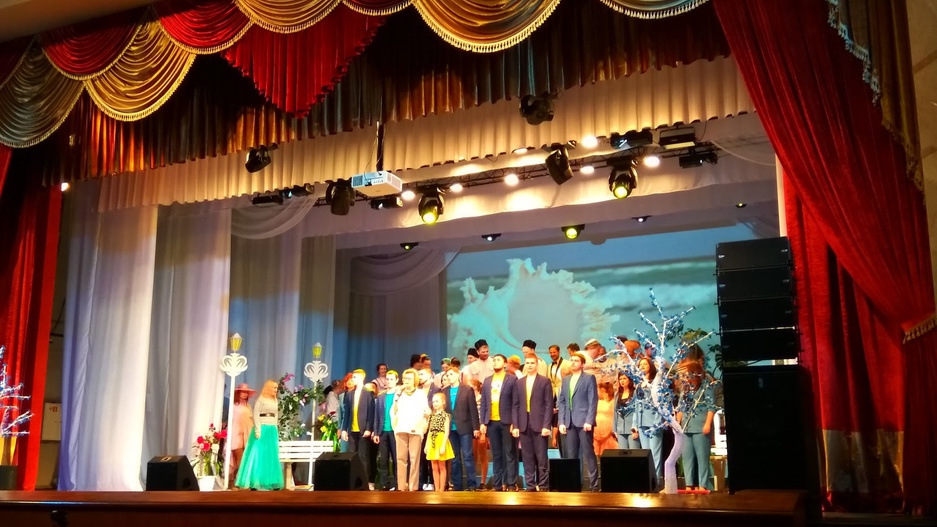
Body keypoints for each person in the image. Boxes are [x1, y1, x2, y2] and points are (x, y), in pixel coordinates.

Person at [432, 368, 480, 491]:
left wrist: (476, 427)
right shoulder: (444, 391)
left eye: (451, 374)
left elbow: (473, 409)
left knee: (467, 456)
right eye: (447, 375)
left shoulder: (467, 389)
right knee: (454, 458)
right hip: (450, 429)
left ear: (458, 375)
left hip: (465, 427)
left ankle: (472, 484)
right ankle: (457, 485)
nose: (449, 377)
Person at [558, 352, 599, 491]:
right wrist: (561, 422)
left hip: (584, 421)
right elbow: (562, 402)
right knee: (572, 455)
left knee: (588, 452)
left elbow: (593, 400)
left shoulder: (589, 378)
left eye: (576, 360)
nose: (573, 362)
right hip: (569, 421)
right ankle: (575, 483)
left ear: (582, 364)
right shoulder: (566, 380)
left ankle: (594, 485)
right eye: (572, 360)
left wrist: (589, 420)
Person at [479, 354, 520, 491]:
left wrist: (515, 422)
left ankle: (511, 483)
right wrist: (483, 422)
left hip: (507, 421)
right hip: (491, 421)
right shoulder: (487, 381)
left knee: (509, 452)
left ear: (505, 364)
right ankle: (497, 484)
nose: (495, 362)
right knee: (496, 454)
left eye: (498, 360)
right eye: (494, 360)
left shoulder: (511, 379)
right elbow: (484, 403)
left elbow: (515, 403)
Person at [513, 355, 553, 492]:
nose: (529, 365)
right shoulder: (519, 382)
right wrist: (516, 425)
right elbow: (515, 405)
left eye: (532, 363)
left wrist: (547, 425)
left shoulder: (544, 381)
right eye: (527, 363)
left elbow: (549, 404)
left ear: (537, 364)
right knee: (527, 456)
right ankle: (530, 484)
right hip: (524, 423)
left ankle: (543, 485)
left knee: (541, 457)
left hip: (540, 424)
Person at [235, 379, 283, 490]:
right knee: (259, 454)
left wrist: (275, 428)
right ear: (269, 388)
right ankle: (255, 481)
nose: (276, 390)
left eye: (276, 388)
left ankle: (271, 481)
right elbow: (256, 414)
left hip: (271, 429)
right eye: (274, 387)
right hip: (262, 428)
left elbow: (276, 415)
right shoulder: (261, 399)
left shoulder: (275, 400)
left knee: (270, 455)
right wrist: (258, 429)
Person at [677, 359, 716, 491]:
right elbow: (681, 408)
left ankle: (702, 485)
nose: (685, 376)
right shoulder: (685, 389)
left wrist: (707, 424)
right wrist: (677, 424)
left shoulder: (706, 387)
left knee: (702, 458)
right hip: (686, 427)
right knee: (687, 457)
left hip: (701, 427)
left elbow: (711, 407)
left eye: (687, 373)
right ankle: (689, 485)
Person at [391, 369, 430, 491]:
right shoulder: (399, 393)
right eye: (405, 378)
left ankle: (413, 486)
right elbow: (393, 410)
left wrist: (423, 421)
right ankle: (401, 486)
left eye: (409, 378)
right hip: (401, 428)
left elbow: (426, 410)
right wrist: (397, 397)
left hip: (415, 429)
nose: (406, 380)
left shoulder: (420, 394)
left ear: (415, 380)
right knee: (401, 458)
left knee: (414, 458)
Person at [632, 356, 665, 488]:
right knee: (645, 453)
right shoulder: (639, 384)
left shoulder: (656, 383)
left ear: (650, 366)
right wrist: (635, 424)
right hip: (642, 422)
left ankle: (656, 482)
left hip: (654, 423)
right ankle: (648, 482)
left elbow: (660, 403)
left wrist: (658, 422)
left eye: (644, 364)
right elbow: (636, 405)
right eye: (640, 365)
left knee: (655, 453)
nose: (642, 367)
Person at [341, 369, 374, 487]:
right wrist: (344, 429)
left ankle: (365, 482)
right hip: (352, 430)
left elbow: (371, 412)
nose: (352, 379)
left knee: (363, 456)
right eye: (352, 377)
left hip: (363, 429)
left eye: (355, 377)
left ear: (361, 378)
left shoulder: (368, 393)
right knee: (352, 456)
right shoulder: (350, 394)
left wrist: (369, 428)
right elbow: (347, 413)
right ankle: (353, 482)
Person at [372, 370, 399, 490]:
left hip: (395, 430)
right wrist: (376, 432)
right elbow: (377, 416)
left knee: (396, 458)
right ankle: (384, 483)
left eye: (392, 379)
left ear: (397, 380)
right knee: (383, 459)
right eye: (387, 379)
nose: (389, 381)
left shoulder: (399, 395)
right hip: (382, 431)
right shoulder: (381, 396)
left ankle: (397, 483)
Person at [425, 392, 456, 491]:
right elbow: (430, 431)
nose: (434, 403)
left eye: (437, 401)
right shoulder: (431, 416)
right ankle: (436, 489)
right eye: (433, 401)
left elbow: (446, 431)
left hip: (441, 440)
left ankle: (441, 489)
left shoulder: (445, 416)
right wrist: (426, 445)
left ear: (443, 402)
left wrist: (443, 445)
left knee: (442, 466)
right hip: (432, 441)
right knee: (434, 466)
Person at [229, 383, 255, 488]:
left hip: (247, 433)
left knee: (246, 458)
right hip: (236, 433)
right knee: (238, 458)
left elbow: (250, 420)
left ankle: (242, 481)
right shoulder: (233, 406)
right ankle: (237, 482)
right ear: (238, 393)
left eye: (246, 392)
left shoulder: (248, 406)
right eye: (243, 392)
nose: (245, 394)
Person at [468, 378, 489, 489]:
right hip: (471, 429)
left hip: (481, 429)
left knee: (483, 455)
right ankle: (473, 480)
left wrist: (483, 431)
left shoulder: (481, 399)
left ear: (475, 387)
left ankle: (483, 482)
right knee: (473, 455)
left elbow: (483, 415)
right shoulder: (468, 398)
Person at [614, 372, 640, 449]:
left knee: (634, 453)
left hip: (632, 428)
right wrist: (615, 429)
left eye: (624, 378)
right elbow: (615, 412)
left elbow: (637, 411)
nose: (622, 381)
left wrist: (636, 428)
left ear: (629, 379)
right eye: (620, 379)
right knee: (622, 453)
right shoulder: (617, 394)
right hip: (620, 428)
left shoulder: (635, 393)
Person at [593, 382, 618, 456]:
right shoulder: (597, 402)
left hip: (608, 432)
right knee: (596, 453)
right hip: (596, 431)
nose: (598, 392)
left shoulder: (612, 402)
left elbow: (614, 417)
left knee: (608, 453)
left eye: (600, 391)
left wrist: (609, 433)